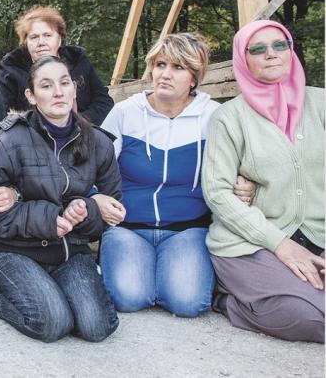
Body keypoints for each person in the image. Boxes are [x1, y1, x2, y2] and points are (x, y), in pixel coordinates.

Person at [0, 56, 121, 343]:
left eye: (64, 83)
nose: (58, 92)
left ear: (74, 89)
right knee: (53, 324)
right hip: (16, 250)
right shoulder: (9, 140)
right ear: (31, 95)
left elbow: (111, 207)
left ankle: (58, 288)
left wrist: (88, 209)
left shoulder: (99, 142)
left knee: (96, 327)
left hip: (70, 251)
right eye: (46, 85)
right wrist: (49, 219)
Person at [203, 20, 324, 343]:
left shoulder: (322, 104)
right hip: (251, 241)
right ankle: (229, 300)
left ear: (290, 51)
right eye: (258, 49)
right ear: (244, 59)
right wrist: (281, 244)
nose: (271, 54)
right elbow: (217, 193)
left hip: (318, 234)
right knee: (310, 317)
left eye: (279, 45)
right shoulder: (229, 117)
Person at [98, 33, 218, 317]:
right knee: (128, 298)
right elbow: (92, 167)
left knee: (187, 303)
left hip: (188, 228)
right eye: (160, 64)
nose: (164, 74)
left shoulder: (213, 116)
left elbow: (234, 169)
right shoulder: (125, 112)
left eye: (177, 67)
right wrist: (97, 198)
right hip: (128, 227)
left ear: (194, 77)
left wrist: (243, 183)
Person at [0, 6, 113, 127]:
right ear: (26, 43)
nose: (41, 43)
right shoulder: (11, 66)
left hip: (82, 132)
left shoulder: (77, 59)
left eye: (47, 35)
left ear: (59, 39)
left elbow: (103, 102)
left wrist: (78, 124)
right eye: (34, 37)